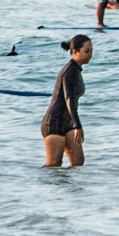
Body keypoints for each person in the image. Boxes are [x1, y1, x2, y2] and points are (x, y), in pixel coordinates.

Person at [43, 35, 91, 167]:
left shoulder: (77, 70)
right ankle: (34, 184)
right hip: (54, 122)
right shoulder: (69, 71)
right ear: (74, 52)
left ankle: (72, 188)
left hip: (67, 122)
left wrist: (73, 124)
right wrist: (78, 126)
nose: (90, 55)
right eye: (86, 51)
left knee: (78, 162)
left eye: (91, 51)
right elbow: (69, 100)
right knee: (53, 165)